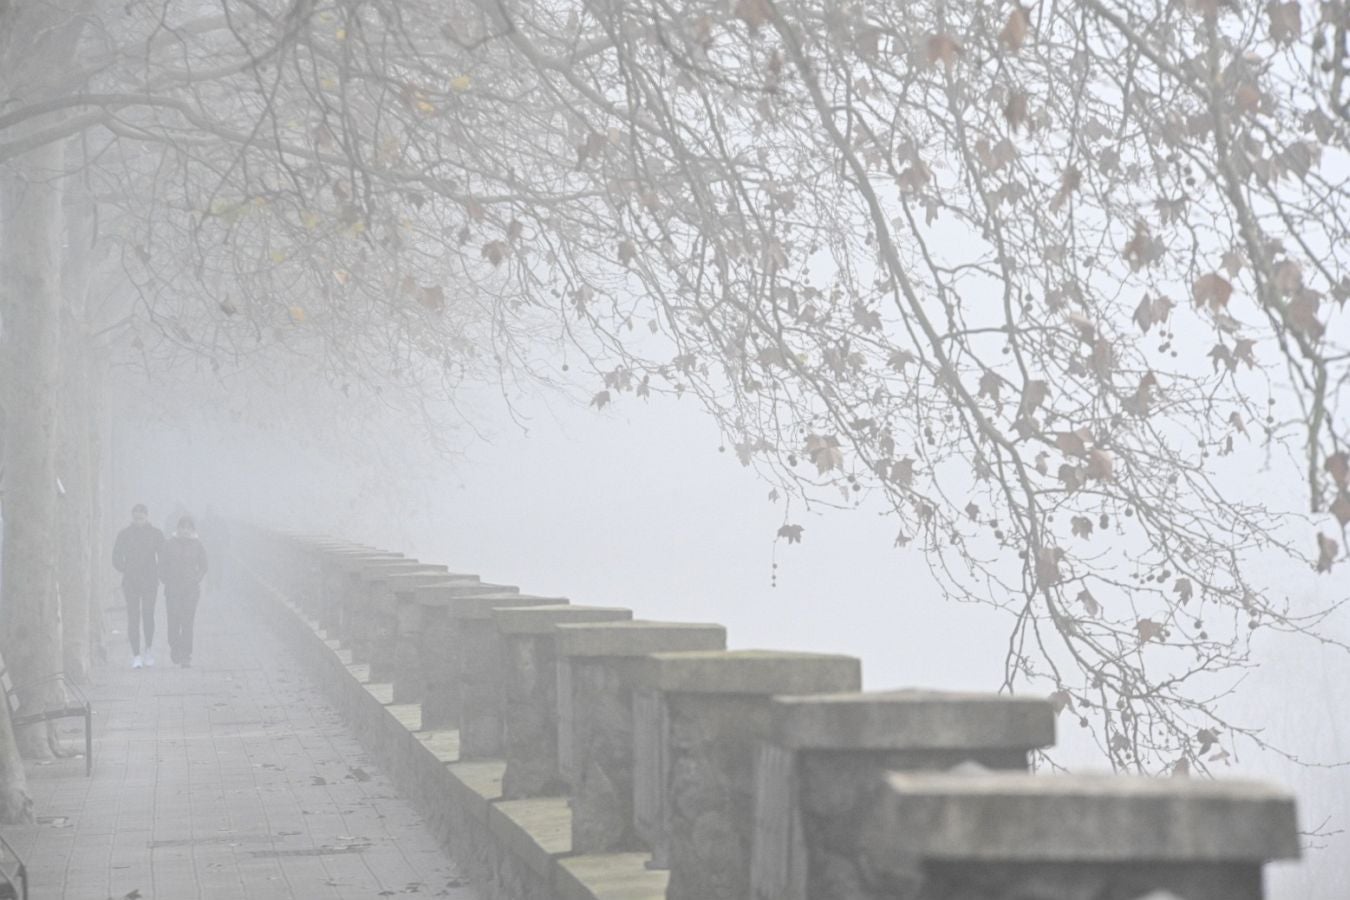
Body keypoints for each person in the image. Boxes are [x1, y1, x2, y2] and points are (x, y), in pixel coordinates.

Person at [112, 503, 165, 668]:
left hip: (150, 581)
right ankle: (136, 655)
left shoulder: (156, 534)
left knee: (148, 615)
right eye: (136, 518)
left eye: (141, 518)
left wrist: (158, 573)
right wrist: (125, 569)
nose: (139, 521)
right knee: (133, 617)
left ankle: (148, 650)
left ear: (147, 517)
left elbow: (163, 556)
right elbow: (116, 556)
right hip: (131, 582)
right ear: (132, 517)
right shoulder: (124, 534)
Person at [160, 515, 209, 668]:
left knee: (187, 622)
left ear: (192, 530)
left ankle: (186, 655)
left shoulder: (198, 545)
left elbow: (204, 565)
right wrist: (165, 579)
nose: (185, 530)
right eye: (183, 527)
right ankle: (175, 647)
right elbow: (161, 564)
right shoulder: (169, 544)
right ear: (178, 529)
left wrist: (197, 578)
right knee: (174, 620)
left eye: (189, 528)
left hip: (191, 590)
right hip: (173, 589)